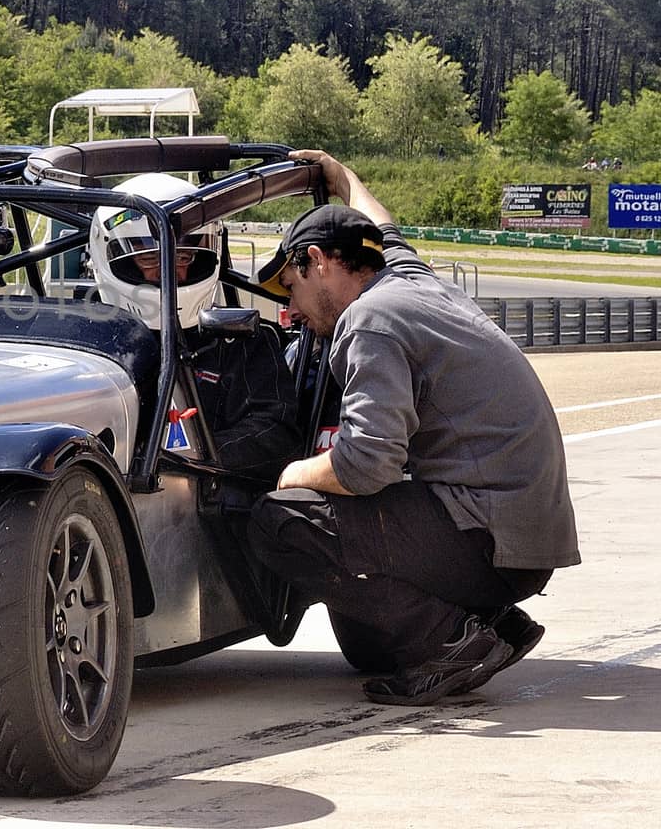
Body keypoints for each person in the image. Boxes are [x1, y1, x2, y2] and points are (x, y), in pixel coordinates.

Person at [247, 149, 580, 706]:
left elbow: (366, 463)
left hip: (491, 536)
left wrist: (293, 472)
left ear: (317, 261)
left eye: (291, 288)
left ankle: (454, 643)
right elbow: (382, 226)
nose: (291, 312)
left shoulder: (368, 320)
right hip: (525, 535)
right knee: (368, 644)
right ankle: (491, 623)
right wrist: (341, 174)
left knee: (280, 520)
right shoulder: (409, 281)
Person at [88, 173, 302, 481]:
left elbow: (277, 433)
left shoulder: (241, 339)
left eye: (184, 256)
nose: (170, 271)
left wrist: (190, 458)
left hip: (209, 505)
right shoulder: (89, 347)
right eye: (150, 258)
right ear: (111, 259)